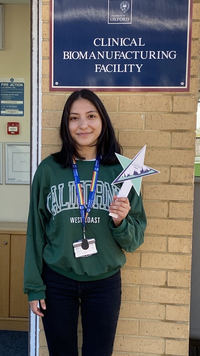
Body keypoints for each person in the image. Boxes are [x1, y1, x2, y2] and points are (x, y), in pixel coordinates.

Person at [24, 89, 147, 356]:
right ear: (65, 124)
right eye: (74, 118)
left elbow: (135, 240)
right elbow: (36, 232)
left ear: (102, 120)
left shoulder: (124, 171)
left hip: (105, 283)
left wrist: (121, 222)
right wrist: (34, 286)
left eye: (91, 116)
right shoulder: (49, 169)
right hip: (57, 280)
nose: (83, 125)